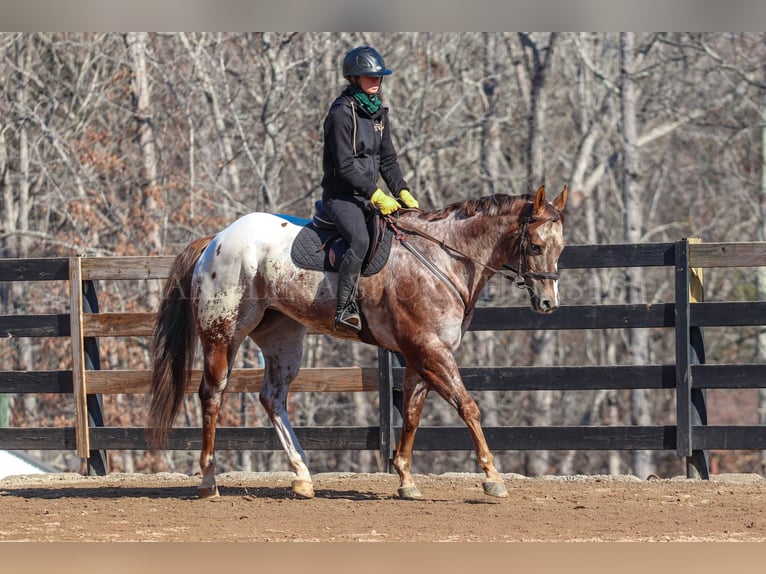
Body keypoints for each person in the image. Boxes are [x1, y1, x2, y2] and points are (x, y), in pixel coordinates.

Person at [320, 45, 419, 332]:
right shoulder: (341, 113)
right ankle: (345, 307)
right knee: (360, 242)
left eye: (378, 76)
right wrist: (376, 194)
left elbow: (387, 159)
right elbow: (345, 165)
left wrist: (402, 190)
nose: (375, 81)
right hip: (342, 197)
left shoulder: (378, 113)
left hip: (369, 197)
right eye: (368, 76)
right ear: (353, 78)